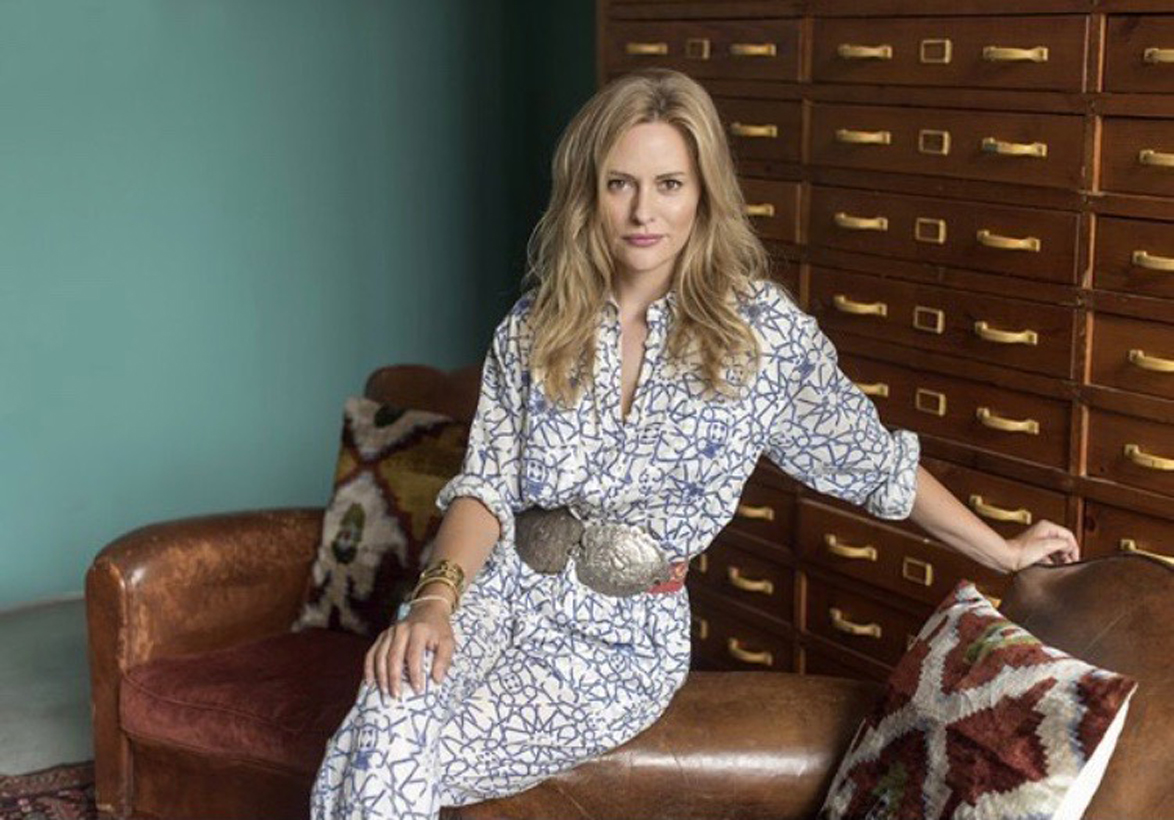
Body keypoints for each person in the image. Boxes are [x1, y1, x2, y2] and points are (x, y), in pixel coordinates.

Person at [309, 67, 1080, 818]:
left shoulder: (762, 338)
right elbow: (484, 487)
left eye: (669, 184)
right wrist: (434, 605)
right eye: (620, 183)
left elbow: (873, 462)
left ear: (703, 193)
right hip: (494, 592)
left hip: (617, 642)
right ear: (588, 194)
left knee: (377, 753)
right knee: (388, 714)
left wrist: (1000, 551)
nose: (644, 211)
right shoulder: (536, 324)